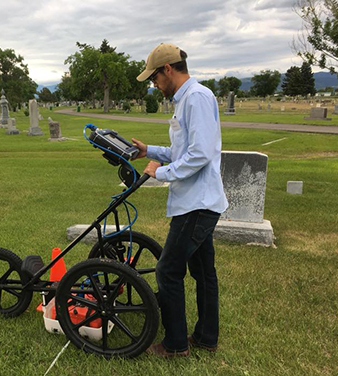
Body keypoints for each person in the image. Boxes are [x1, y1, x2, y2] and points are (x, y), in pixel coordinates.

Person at [132, 43, 228, 357]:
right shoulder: (185, 99)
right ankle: (206, 337)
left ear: (168, 70)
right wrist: (151, 151)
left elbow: (199, 154)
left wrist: (162, 172)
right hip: (198, 200)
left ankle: (174, 345)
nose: (153, 84)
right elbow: (184, 150)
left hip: (196, 204)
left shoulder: (196, 98)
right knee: (203, 273)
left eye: (154, 78)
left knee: (167, 271)